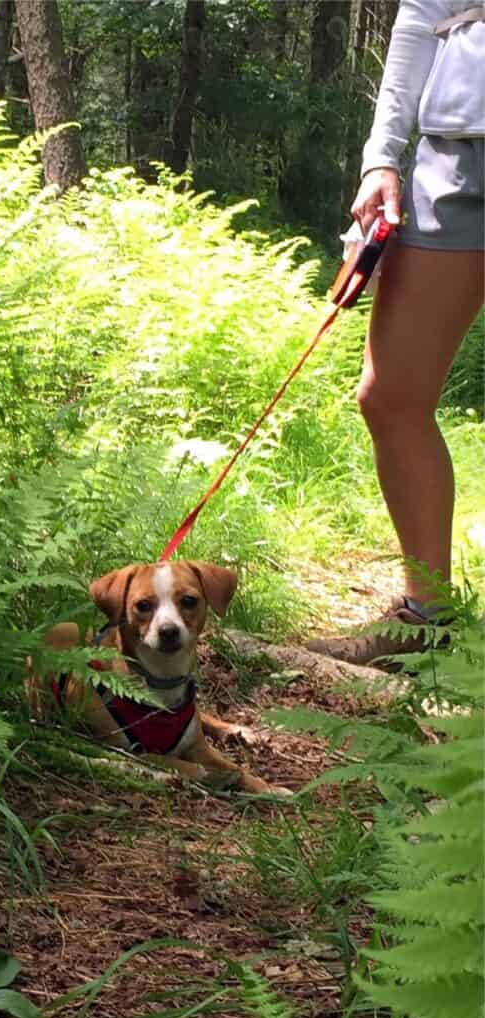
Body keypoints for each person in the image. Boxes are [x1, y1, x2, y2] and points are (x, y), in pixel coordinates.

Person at [307, 0, 484, 666]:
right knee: (391, 396)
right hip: (454, 156)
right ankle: (426, 618)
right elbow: (421, 16)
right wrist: (381, 158)